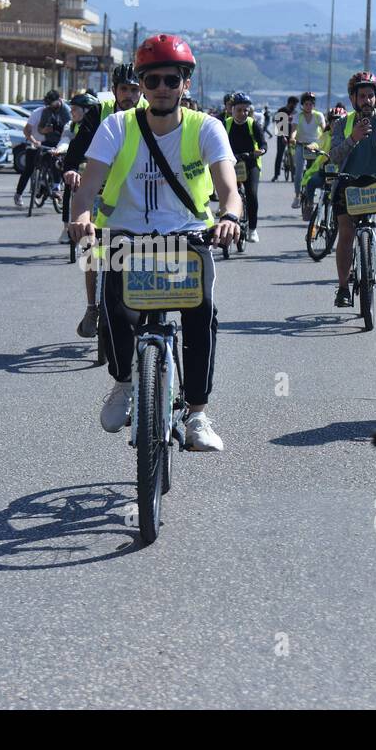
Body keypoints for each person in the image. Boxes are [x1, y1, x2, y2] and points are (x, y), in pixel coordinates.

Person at [67, 33, 242, 451]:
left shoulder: (207, 128)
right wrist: (81, 216)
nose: (162, 88)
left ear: (186, 84)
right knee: (111, 301)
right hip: (126, 236)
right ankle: (124, 383)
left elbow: (228, 188)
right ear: (141, 86)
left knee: (202, 315)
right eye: (152, 81)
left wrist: (230, 216)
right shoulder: (117, 126)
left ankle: (198, 413)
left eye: (171, 79)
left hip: (187, 237)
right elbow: (87, 186)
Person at [64, 73, 144, 338]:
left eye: (135, 90)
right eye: (124, 89)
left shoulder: (150, 114)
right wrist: (72, 169)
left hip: (136, 193)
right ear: (114, 90)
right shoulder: (99, 114)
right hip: (99, 192)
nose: (130, 96)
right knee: (91, 247)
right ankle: (91, 308)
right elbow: (77, 147)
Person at [328, 71, 376, 307]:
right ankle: (343, 287)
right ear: (353, 99)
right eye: (362, 96)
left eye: (371, 95)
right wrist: (353, 138)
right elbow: (333, 155)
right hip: (349, 182)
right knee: (346, 232)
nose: (367, 100)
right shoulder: (343, 124)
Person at [222, 91, 266, 242]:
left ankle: (252, 229)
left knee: (251, 194)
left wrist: (261, 151)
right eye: (239, 110)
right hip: (231, 162)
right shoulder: (225, 124)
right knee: (226, 194)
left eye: (246, 110)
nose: (242, 113)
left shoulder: (252, 124)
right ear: (231, 109)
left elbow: (263, 143)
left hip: (251, 163)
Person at [16, 89, 68, 207]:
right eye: (48, 105)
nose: (50, 107)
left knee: (55, 162)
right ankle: (19, 194)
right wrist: (35, 139)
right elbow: (28, 130)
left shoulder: (65, 111)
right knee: (29, 169)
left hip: (51, 142)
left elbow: (68, 128)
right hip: (35, 143)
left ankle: (55, 186)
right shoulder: (40, 112)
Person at [291, 92, 324, 206]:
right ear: (302, 105)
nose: (308, 106)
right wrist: (292, 138)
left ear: (313, 105)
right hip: (301, 144)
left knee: (313, 170)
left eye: (311, 104)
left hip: (314, 146)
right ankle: (297, 196)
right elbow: (294, 129)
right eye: (306, 104)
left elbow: (324, 130)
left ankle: (311, 190)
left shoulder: (318, 115)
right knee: (299, 172)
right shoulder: (298, 116)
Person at [271, 95, 297, 182]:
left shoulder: (295, 112)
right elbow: (278, 124)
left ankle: (294, 174)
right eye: (294, 104)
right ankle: (276, 175)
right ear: (290, 103)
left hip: (292, 135)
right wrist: (283, 136)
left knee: (293, 155)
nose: (294, 106)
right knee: (279, 155)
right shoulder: (282, 111)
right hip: (282, 134)